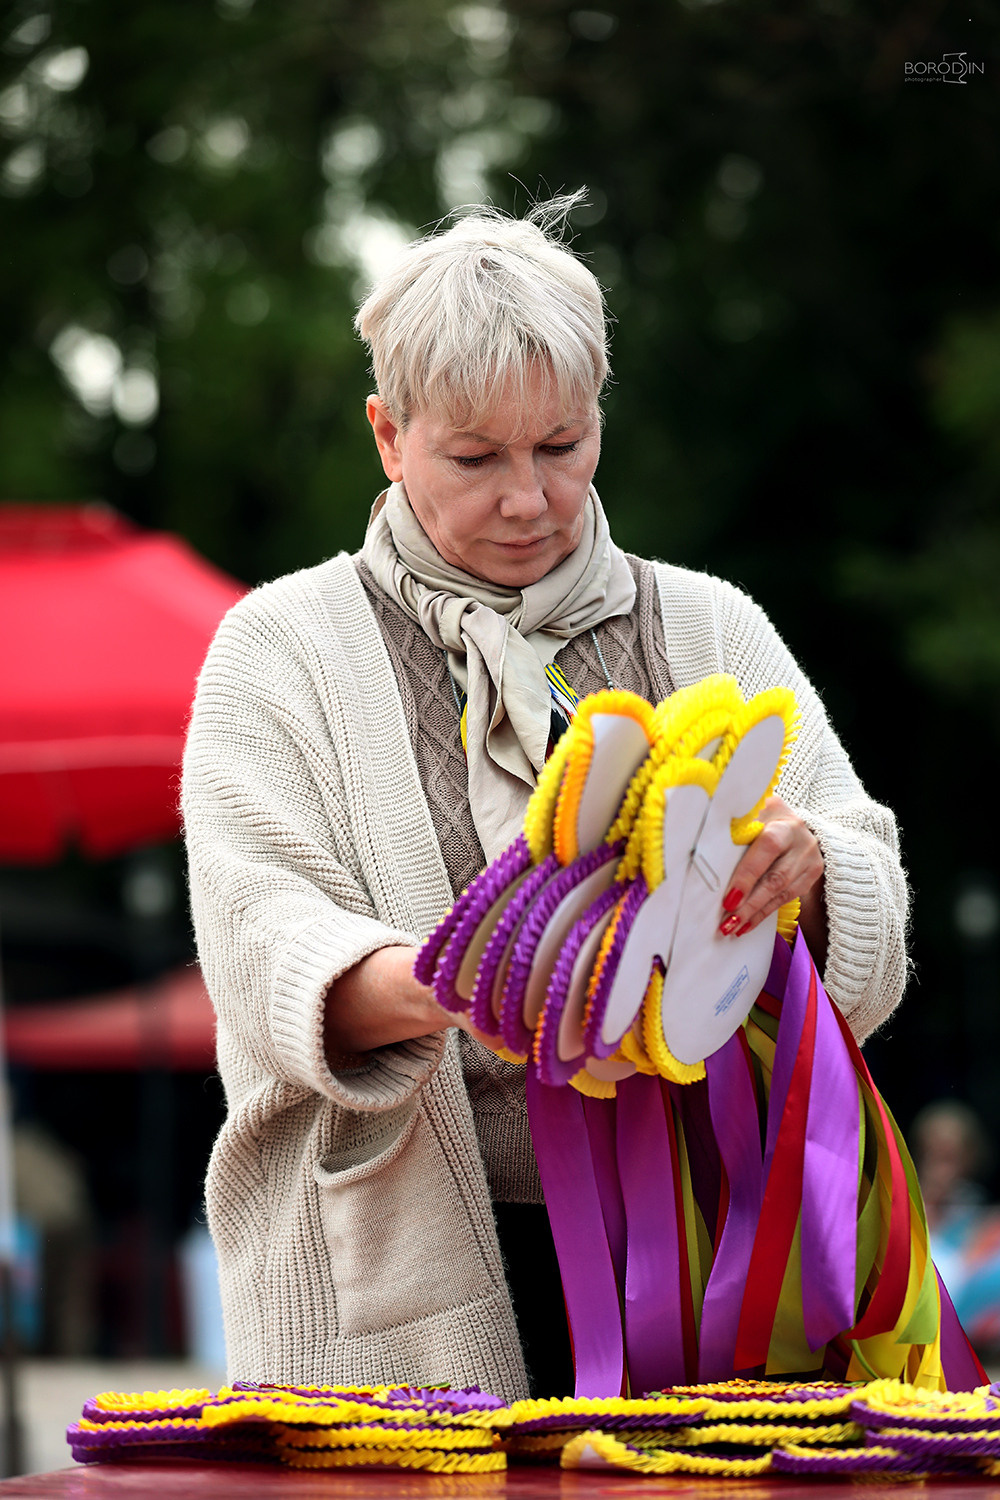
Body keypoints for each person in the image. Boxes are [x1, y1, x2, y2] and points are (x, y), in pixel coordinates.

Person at [182, 194, 909, 1402]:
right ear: (387, 436)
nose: (528, 498)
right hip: (391, 1286)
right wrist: (487, 978)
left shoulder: (712, 624)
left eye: (561, 446)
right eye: (475, 458)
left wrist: (814, 871)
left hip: (712, 1256)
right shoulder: (279, 648)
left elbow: (865, 904)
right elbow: (265, 946)